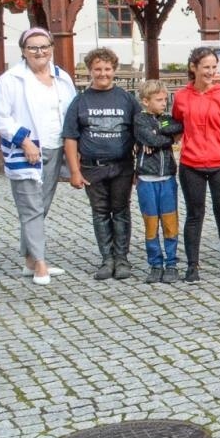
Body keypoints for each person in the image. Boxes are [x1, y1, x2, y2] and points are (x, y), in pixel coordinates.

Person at [0, 26, 76, 285]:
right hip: (27, 151)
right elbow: (0, 117)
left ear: (51, 49)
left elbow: (71, 112)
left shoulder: (62, 77)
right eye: (33, 48)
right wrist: (24, 141)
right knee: (31, 208)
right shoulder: (11, 79)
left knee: (42, 206)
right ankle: (39, 263)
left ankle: (29, 258)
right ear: (24, 52)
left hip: (54, 148)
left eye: (44, 47)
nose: (39, 52)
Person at [63, 48, 140, 281]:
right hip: (92, 168)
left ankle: (122, 259)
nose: (103, 73)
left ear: (114, 70)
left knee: (121, 211)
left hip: (122, 166)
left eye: (107, 69)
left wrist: (139, 168)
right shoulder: (80, 101)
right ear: (89, 71)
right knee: (100, 213)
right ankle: (107, 259)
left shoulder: (127, 99)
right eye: (97, 69)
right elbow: (70, 137)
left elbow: (139, 131)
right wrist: (74, 171)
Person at [173, 46, 220, 281]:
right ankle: (192, 265)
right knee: (195, 214)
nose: (211, 72)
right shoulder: (182, 97)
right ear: (193, 68)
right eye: (206, 67)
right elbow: (175, 125)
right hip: (191, 164)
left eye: (214, 67)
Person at [133, 80, 183, 283]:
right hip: (147, 179)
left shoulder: (164, 119)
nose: (164, 103)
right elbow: (150, 139)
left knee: (170, 222)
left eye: (165, 99)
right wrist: (168, 139)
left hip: (167, 178)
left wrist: (160, 134)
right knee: (151, 223)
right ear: (146, 101)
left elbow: (178, 126)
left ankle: (171, 263)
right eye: (159, 100)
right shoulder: (140, 120)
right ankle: (155, 263)